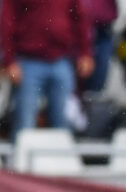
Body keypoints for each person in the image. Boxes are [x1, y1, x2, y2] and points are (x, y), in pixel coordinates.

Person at [1, 0, 94, 138]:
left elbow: (79, 18)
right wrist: (9, 61)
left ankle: (63, 157)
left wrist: (85, 53)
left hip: (61, 60)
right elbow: (6, 22)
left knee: (63, 120)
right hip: (28, 61)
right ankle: (21, 158)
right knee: (25, 120)